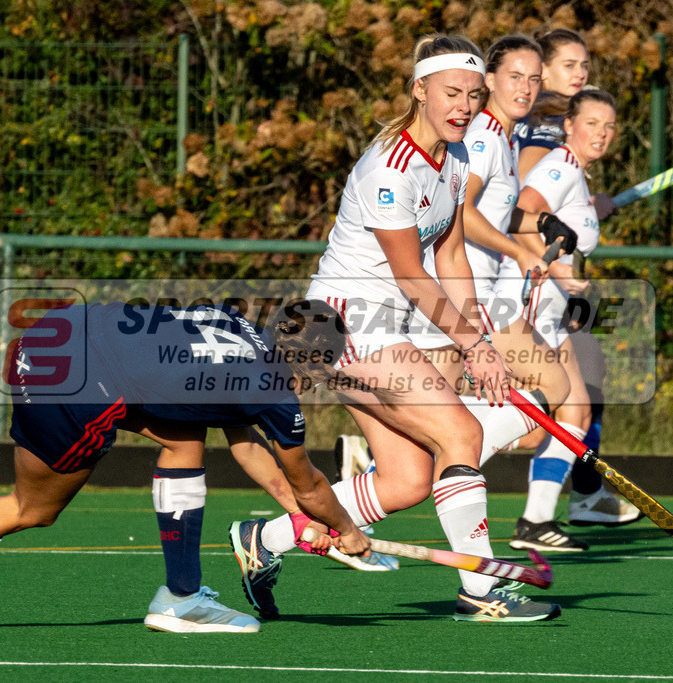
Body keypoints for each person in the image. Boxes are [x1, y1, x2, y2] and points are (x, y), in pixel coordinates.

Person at [230, 34, 561, 624]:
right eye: (451, 92)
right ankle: (482, 589)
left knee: (406, 480)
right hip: (346, 325)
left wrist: (479, 341)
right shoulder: (391, 166)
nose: (463, 105)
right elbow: (411, 273)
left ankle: (266, 539)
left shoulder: (456, 159)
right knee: (460, 435)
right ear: (420, 90)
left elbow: (452, 254)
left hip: (387, 327)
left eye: (473, 95)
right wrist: (474, 345)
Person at [0, 298, 370, 634]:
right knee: (28, 509)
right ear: (312, 360)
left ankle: (181, 596)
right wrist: (345, 529)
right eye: (322, 370)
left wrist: (302, 520)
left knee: (183, 441)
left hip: (53, 336)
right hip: (79, 384)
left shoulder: (233, 325)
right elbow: (309, 483)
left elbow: (244, 443)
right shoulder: (275, 391)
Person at [510, 28, 639, 534]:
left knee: (575, 405)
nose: (603, 132)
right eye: (592, 123)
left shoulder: (572, 167)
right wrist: (554, 266)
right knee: (520, 420)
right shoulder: (552, 150)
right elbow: (522, 210)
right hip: (525, 303)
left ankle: (539, 519)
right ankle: (379, 462)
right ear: (570, 124)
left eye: (609, 125)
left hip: (551, 307)